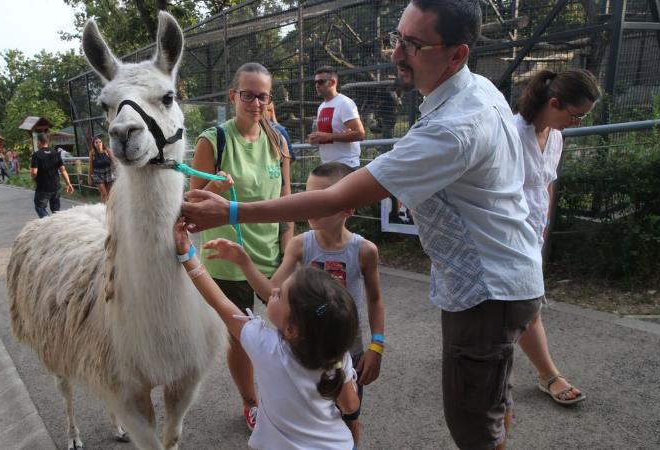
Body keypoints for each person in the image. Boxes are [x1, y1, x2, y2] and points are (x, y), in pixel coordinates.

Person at [182, 1, 544, 449]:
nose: (396, 53)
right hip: (506, 279)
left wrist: (231, 212)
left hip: (486, 292)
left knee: (473, 425)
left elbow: (336, 197)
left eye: (413, 44)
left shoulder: (452, 129)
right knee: (492, 401)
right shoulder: (477, 91)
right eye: (398, 37)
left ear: (456, 55)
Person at [204, 161, 385, 446]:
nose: (308, 206)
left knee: (350, 413)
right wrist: (245, 263)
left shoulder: (364, 251)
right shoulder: (300, 245)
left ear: (348, 207)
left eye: (319, 199)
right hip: (303, 349)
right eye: (306, 197)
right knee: (309, 412)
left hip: (347, 350)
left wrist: (377, 344)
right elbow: (272, 291)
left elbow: (374, 298)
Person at [173, 219, 360, 450]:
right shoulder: (337, 355)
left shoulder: (264, 346)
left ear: (292, 330)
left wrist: (187, 253)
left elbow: (221, 302)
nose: (273, 291)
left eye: (279, 294)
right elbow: (351, 405)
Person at [189, 62, 293, 432]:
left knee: (287, 330)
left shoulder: (278, 139)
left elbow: (286, 201)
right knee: (243, 338)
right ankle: (251, 402)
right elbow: (191, 205)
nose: (255, 102)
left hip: (272, 258)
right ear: (233, 96)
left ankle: (285, 397)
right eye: (247, 94)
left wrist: (289, 250)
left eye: (262, 95)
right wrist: (213, 189)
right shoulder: (213, 140)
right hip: (227, 261)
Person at [513, 68, 601, 406]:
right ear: (553, 102)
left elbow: (546, 181)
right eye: (576, 116)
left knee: (517, 304)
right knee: (527, 304)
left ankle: (472, 351)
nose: (578, 124)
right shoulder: (509, 132)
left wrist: (545, 220)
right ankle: (549, 375)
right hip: (505, 233)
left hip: (533, 232)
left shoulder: (557, 137)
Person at [308, 66, 365, 168]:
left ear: (333, 82)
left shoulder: (345, 103)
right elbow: (323, 135)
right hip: (327, 166)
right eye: (315, 82)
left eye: (320, 82)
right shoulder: (321, 106)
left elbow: (360, 134)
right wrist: (315, 139)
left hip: (346, 165)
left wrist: (328, 136)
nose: (317, 85)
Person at [30, 132, 74, 218]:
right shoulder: (56, 153)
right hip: (56, 187)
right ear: (47, 142)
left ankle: (48, 224)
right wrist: (69, 184)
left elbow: (34, 172)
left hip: (43, 188)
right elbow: (63, 170)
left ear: (39, 142)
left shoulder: (36, 155)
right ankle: (57, 226)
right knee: (56, 211)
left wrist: (33, 178)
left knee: (40, 207)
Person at [88, 137, 116, 203]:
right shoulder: (92, 153)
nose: (98, 144)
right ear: (94, 144)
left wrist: (117, 170)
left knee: (109, 194)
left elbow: (113, 161)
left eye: (100, 142)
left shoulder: (107, 150)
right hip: (97, 174)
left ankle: (108, 208)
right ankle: (104, 210)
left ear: (102, 143)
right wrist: (89, 177)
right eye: (96, 142)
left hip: (108, 173)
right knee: (104, 193)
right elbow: (90, 166)